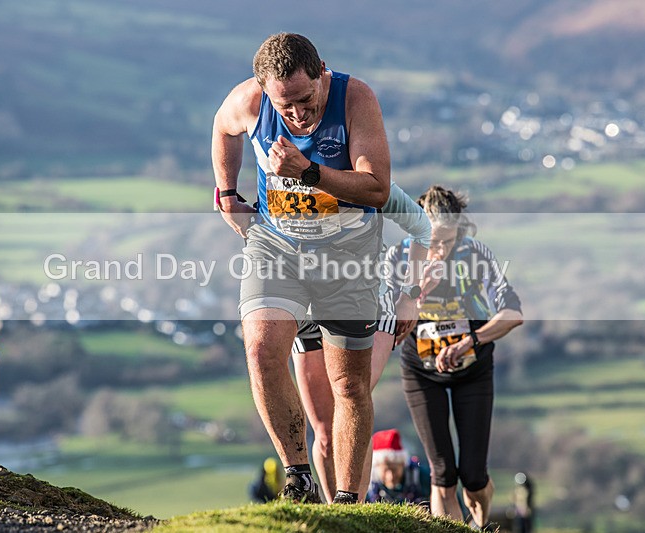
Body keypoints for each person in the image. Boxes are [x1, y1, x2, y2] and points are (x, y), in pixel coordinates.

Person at [212, 32, 391, 503]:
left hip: (347, 252)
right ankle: (297, 475)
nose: (296, 114)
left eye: (306, 100)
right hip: (277, 245)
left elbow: (376, 189)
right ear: (265, 92)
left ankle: (349, 500)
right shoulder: (250, 101)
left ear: (321, 72)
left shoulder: (355, 97)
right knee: (260, 350)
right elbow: (223, 127)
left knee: (349, 385)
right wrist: (227, 194)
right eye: (284, 105)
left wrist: (308, 171)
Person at [292, 181, 430, 502]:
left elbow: (422, 227)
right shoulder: (293, 179)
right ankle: (335, 514)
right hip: (309, 311)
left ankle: (352, 507)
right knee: (325, 431)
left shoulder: (366, 180)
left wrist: (410, 296)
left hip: (368, 303)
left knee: (353, 399)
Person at [398, 185, 523, 528]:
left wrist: (470, 342)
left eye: (447, 241)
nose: (439, 250)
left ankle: (480, 522)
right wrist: (417, 291)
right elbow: (382, 317)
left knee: (473, 475)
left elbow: (513, 313)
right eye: (431, 241)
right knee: (442, 474)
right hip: (421, 372)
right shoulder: (401, 256)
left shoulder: (475, 255)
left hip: (473, 371)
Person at [365, 428, 427, 505]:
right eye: (385, 470)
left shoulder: (419, 475)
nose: (390, 476)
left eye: (394, 470)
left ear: (402, 464)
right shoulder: (367, 482)